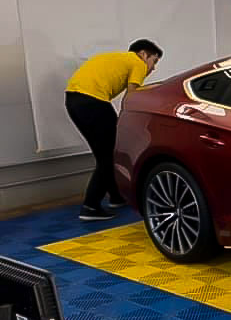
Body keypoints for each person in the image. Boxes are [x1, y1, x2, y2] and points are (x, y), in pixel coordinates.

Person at [65, 40, 163, 222]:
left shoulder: (117, 58)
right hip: (93, 102)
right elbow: (132, 96)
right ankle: (90, 206)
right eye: (154, 61)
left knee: (105, 153)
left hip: (73, 101)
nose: (153, 68)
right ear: (143, 54)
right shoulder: (137, 63)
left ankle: (116, 197)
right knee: (110, 156)